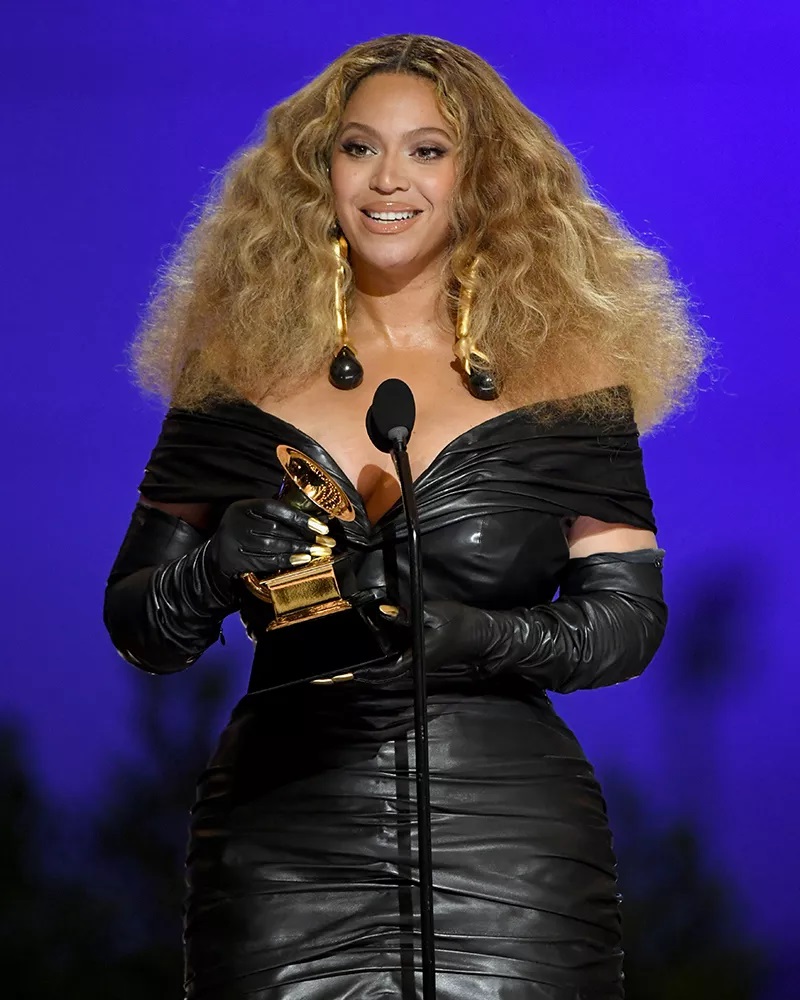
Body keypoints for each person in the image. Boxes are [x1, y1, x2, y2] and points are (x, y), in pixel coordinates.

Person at [103, 33, 704, 1000]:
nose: (390, 178)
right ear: (320, 172)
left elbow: (628, 622)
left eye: (428, 149)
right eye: (359, 148)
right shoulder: (234, 374)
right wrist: (212, 571)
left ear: (482, 177)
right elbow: (139, 625)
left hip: (506, 846)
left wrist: (468, 633)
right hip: (281, 839)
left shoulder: (570, 379)